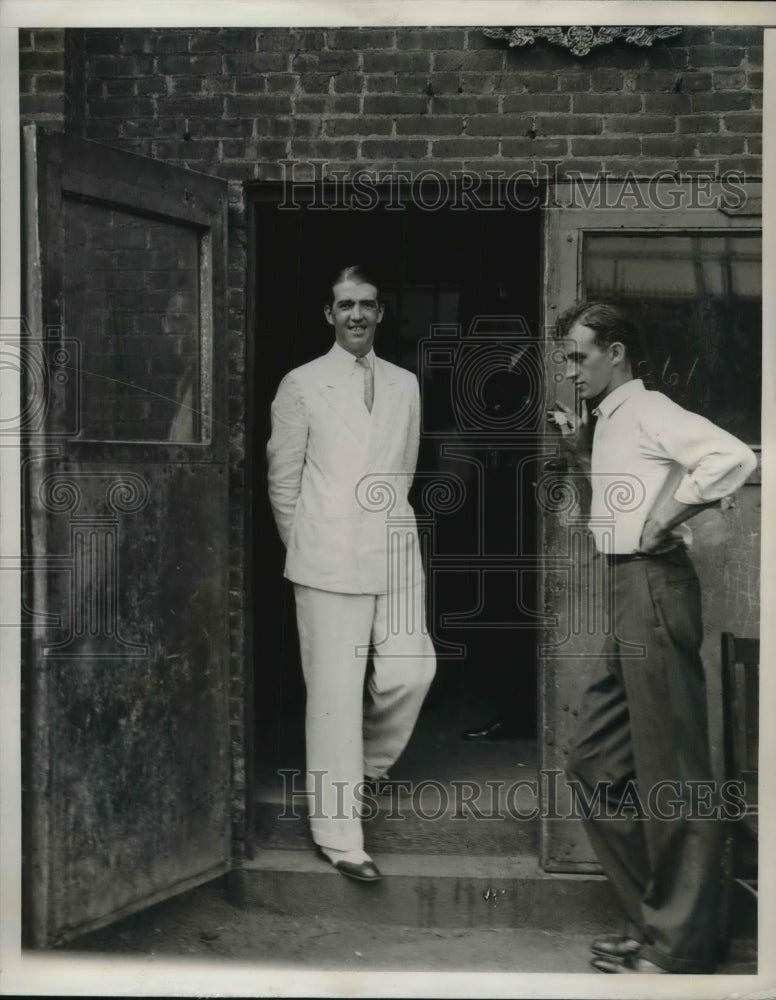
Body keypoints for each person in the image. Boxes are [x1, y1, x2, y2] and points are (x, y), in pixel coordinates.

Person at [551, 301, 757, 974]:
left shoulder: (647, 409)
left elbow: (728, 457)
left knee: (674, 777)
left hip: (654, 587)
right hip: (626, 592)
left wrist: (666, 519)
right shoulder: (610, 423)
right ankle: (660, 919)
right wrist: (581, 456)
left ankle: (679, 949)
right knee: (593, 762)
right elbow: (605, 517)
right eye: (566, 358)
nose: (570, 369)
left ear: (616, 353)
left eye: (579, 355)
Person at [266, 266, 436, 883]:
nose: (357, 314)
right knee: (335, 697)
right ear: (329, 315)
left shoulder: (405, 384)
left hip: (392, 545)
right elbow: (283, 481)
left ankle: (365, 766)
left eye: (367, 304)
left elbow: (405, 466)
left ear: (381, 313)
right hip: (326, 556)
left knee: (411, 670)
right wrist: (312, 546)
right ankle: (340, 836)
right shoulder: (303, 384)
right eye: (345, 305)